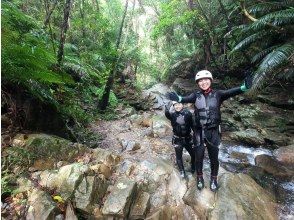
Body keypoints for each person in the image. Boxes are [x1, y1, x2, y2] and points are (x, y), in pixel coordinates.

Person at [166, 70, 252, 191]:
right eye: (200, 81)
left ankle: (213, 179)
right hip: (198, 132)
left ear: (210, 80)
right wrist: (178, 98)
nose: (203, 82)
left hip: (213, 132)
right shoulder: (195, 95)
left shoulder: (218, 94)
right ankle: (200, 178)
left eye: (206, 80)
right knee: (198, 157)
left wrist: (244, 87)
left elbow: (232, 92)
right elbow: (184, 98)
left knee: (214, 158)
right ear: (198, 83)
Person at [165, 101, 196, 178]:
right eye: (175, 105)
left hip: (188, 138)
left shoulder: (188, 113)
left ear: (182, 105)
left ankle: (193, 167)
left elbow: (193, 126)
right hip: (177, 139)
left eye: (179, 104)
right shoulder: (172, 115)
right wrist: (171, 102)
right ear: (173, 106)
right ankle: (182, 171)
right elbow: (166, 111)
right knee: (179, 156)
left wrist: (197, 136)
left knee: (194, 155)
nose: (177, 106)